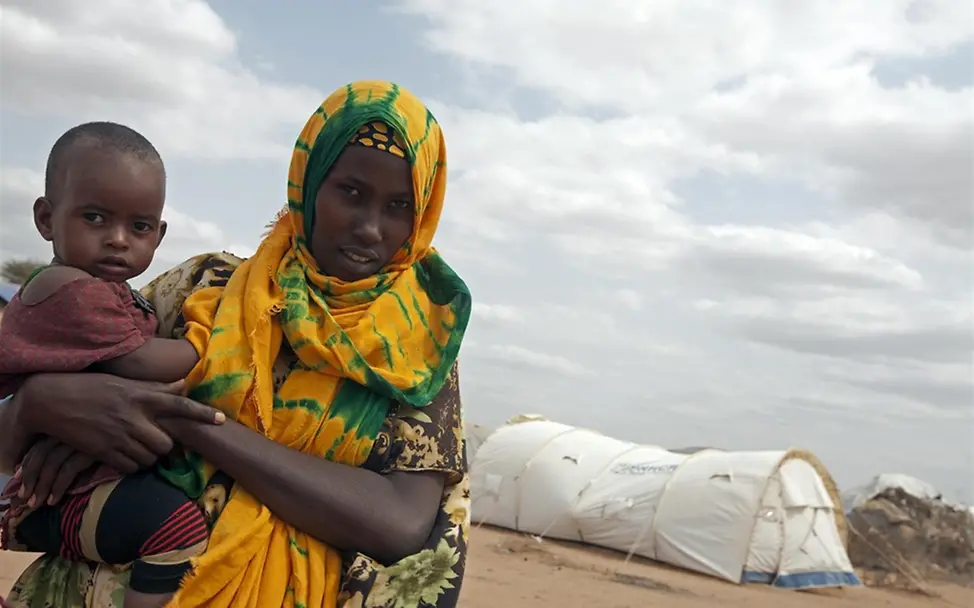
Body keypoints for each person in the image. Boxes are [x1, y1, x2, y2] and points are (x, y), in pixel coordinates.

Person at [0, 80, 473, 608]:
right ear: (309, 183)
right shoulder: (205, 288)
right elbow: (40, 423)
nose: (368, 227)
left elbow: (397, 523)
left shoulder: (416, 352)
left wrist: (183, 419)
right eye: (352, 193)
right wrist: (36, 404)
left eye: (399, 206)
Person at [0, 122, 211, 608]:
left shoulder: (105, 290)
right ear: (47, 219)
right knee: (175, 529)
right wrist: (212, 335)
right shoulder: (69, 291)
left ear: (158, 235)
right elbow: (146, 360)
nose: (118, 239)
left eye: (138, 227)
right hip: (58, 496)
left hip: (73, 484)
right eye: (95, 218)